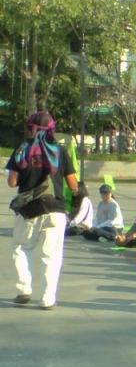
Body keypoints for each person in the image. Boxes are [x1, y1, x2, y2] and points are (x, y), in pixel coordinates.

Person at [6, 111, 78, 309]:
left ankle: (24, 289)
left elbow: (12, 182)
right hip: (55, 209)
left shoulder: (22, 149)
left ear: (31, 128)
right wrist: (75, 191)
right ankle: (47, 299)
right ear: (51, 129)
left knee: (21, 247)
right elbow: (72, 183)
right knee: (51, 256)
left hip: (29, 210)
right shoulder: (60, 151)